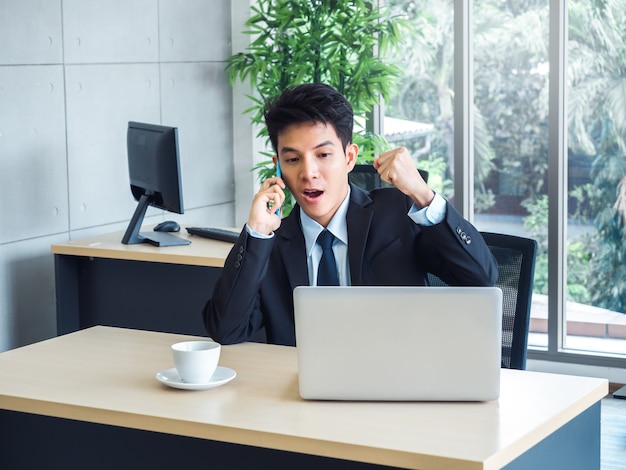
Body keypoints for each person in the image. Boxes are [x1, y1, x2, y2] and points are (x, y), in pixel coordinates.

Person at [203, 83, 498, 345]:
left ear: (349, 157)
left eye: (323, 155)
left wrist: (422, 194)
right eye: (292, 159)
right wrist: (256, 233)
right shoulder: (271, 243)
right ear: (278, 165)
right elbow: (227, 329)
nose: (308, 173)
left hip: (396, 391)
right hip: (302, 398)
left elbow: (480, 278)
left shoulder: (397, 215)